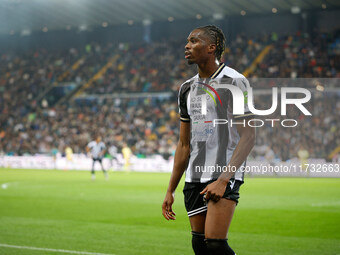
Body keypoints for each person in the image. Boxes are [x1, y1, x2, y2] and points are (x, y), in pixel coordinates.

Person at [162, 25, 255, 255]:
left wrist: (224, 179)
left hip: (223, 173)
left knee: (215, 244)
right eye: (187, 41)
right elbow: (184, 144)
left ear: (212, 47)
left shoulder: (235, 81)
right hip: (194, 176)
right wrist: (170, 189)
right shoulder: (186, 89)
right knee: (199, 245)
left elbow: (249, 135)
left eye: (194, 41)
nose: (187, 46)